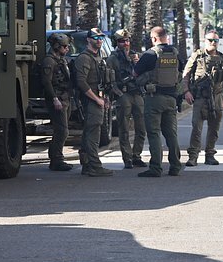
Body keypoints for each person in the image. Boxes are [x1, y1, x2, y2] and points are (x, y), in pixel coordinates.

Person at [133, 26, 183, 177]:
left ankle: (156, 167)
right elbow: (180, 72)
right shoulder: (175, 53)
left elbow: (135, 73)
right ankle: (175, 166)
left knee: (154, 133)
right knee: (171, 134)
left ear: (154, 39)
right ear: (166, 37)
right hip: (171, 98)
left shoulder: (150, 54)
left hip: (154, 98)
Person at [182, 31, 223, 166]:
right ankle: (193, 156)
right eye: (210, 40)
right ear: (205, 40)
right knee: (196, 128)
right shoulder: (197, 56)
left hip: (217, 97)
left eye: (216, 40)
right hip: (200, 98)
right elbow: (186, 74)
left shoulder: (222, 58)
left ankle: (210, 154)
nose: (213, 43)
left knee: (214, 129)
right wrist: (186, 91)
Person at [75, 27, 114, 177]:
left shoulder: (98, 57)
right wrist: (96, 99)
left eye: (101, 38)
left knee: (91, 132)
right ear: (88, 39)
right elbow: (81, 82)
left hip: (98, 99)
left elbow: (102, 81)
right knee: (93, 132)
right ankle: (94, 165)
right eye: (96, 38)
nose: (99, 41)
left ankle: (87, 163)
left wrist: (105, 98)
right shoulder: (84, 58)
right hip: (90, 101)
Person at [106, 28, 147, 169]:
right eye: (122, 41)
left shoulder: (136, 56)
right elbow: (109, 80)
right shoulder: (112, 59)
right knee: (124, 129)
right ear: (116, 43)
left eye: (127, 40)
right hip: (123, 94)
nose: (125, 43)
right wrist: (118, 94)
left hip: (137, 93)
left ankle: (137, 156)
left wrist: (137, 63)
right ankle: (127, 158)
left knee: (141, 128)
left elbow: (145, 75)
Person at [40, 33, 74, 171]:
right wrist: (54, 98)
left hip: (64, 97)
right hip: (57, 99)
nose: (67, 49)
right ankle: (56, 160)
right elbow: (46, 82)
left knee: (62, 130)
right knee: (62, 131)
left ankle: (57, 158)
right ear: (56, 46)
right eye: (64, 46)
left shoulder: (61, 60)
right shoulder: (49, 61)